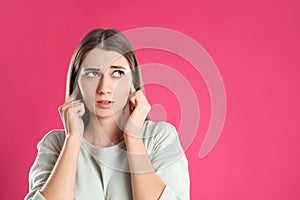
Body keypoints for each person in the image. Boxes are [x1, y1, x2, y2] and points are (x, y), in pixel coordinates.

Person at [25, 28, 190, 200]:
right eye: (93, 74)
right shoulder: (55, 145)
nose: (104, 88)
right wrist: (73, 140)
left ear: (132, 81)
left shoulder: (159, 138)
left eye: (117, 73)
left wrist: (133, 137)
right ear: (76, 83)